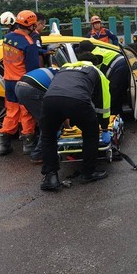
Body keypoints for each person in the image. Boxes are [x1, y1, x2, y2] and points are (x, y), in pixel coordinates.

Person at [39, 52, 111, 191]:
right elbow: (104, 103)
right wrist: (104, 126)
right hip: (77, 101)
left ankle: (51, 177)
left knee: (48, 137)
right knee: (91, 134)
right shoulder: (96, 72)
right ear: (95, 64)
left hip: (50, 100)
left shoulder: (64, 68)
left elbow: (61, 91)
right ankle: (88, 172)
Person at [0, 10, 40, 156]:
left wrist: (41, 51)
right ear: (32, 25)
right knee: (26, 112)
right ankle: (28, 145)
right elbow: (33, 69)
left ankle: (4, 144)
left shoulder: (7, 38)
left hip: (9, 81)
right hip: (22, 83)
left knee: (11, 112)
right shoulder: (29, 43)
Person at [15, 67, 59, 163]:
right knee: (49, 123)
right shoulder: (65, 78)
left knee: (42, 121)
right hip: (32, 89)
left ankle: (37, 147)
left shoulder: (58, 71)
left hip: (19, 86)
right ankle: (38, 154)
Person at [77, 40, 129, 116]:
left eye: (81, 52)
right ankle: (117, 114)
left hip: (118, 68)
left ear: (86, 51)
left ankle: (115, 116)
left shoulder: (93, 55)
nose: (80, 54)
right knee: (117, 93)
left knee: (113, 95)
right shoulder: (98, 49)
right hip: (122, 63)